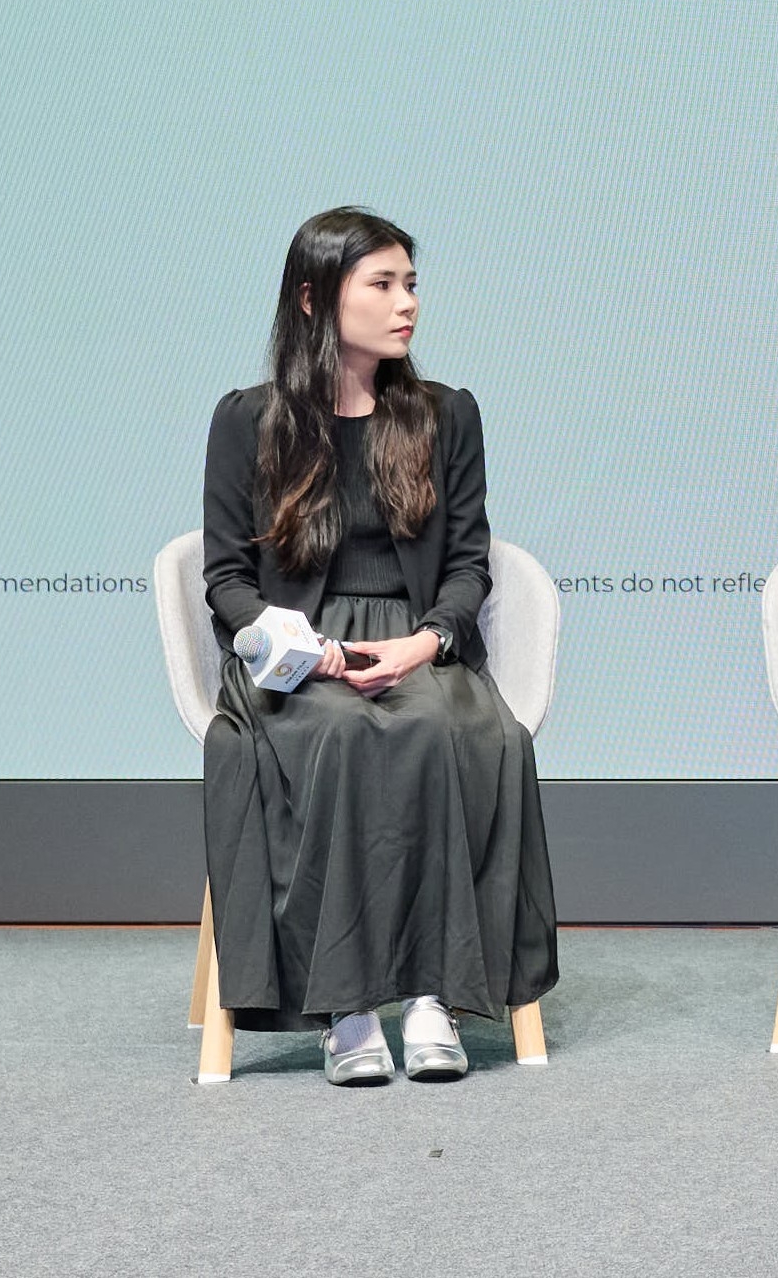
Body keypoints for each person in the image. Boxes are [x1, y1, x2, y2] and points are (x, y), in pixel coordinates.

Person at [200, 207, 559, 1084]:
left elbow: (469, 564)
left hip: (414, 641)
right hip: (299, 653)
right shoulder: (248, 420)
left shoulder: (445, 415)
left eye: (412, 285)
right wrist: (292, 642)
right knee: (337, 730)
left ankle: (434, 994)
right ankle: (347, 1006)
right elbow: (225, 578)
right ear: (314, 299)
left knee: (447, 730)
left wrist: (427, 642)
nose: (408, 305)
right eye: (384, 285)